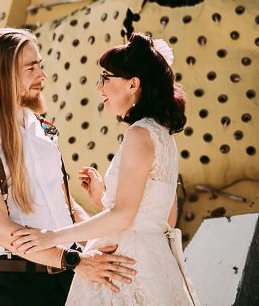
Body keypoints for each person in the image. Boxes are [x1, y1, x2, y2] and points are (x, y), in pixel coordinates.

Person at [0, 28, 136, 306]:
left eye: (40, 65)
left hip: (72, 276)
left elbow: (67, 210)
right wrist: (75, 261)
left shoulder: (43, 130)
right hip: (22, 289)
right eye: (31, 68)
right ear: (0, 74)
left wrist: (102, 243)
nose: (42, 75)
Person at [11, 33, 199, 305]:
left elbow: (124, 216)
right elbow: (163, 221)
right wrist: (103, 199)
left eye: (106, 78)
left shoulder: (139, 134)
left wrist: (50, 238)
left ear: (133, 84)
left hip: (124, 271)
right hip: (157, 267)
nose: (99, 88)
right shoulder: (163, 136)